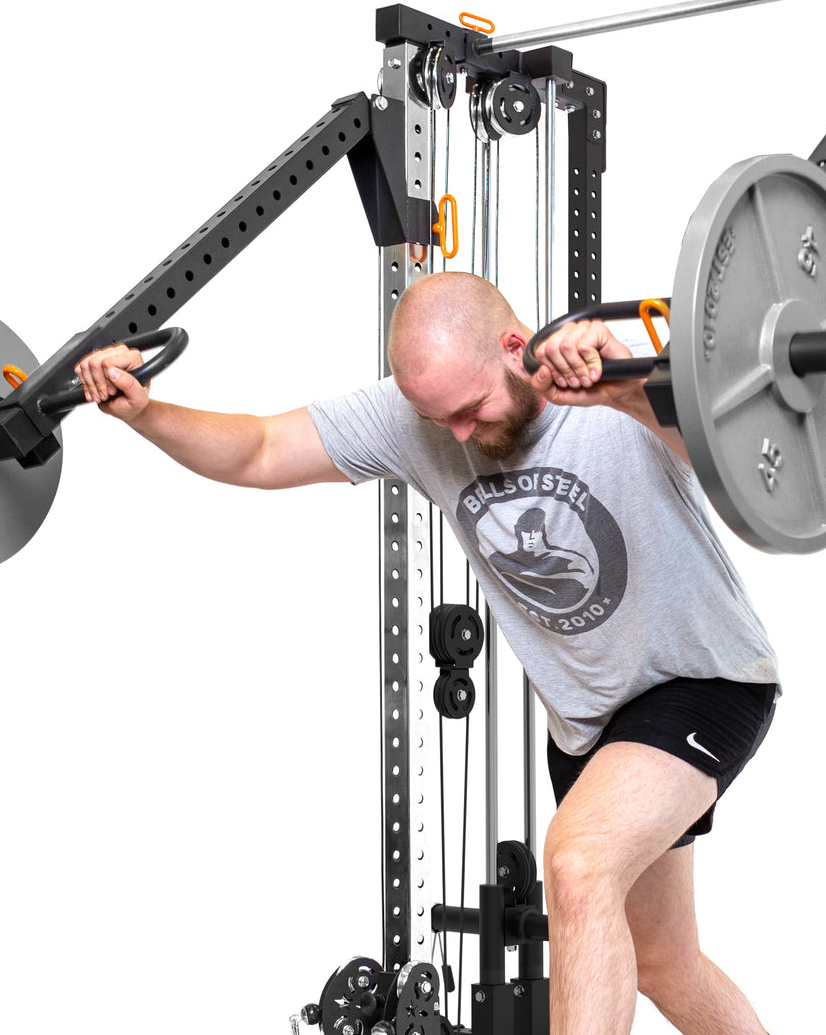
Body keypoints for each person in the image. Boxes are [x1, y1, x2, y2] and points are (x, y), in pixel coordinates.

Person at [74, 271, 779, 1035]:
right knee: (666, 964)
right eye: (438, 420)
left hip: (702, 680)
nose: (461, 437)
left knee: (577, 865)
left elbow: (725, 454)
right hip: (587, 726)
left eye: (471, 411)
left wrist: (632, 383)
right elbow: (260, 449)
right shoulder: (427, 417)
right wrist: (145, 415)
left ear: (515, 347)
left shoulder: (615, 394)